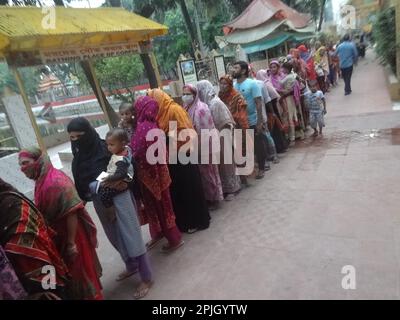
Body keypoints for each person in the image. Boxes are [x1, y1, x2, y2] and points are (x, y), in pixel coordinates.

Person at [67, 118, 153, 299]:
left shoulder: (105, 148)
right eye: (72, 137)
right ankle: (131, 266)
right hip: (100, 201)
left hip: (120, 198)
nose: (75, 140)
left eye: (79, 136)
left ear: (88, 134)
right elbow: (81, 177)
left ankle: (146, 277)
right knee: (114, 236)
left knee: (131, 235)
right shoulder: (79, 153)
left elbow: (128, 170)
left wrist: (127, 189)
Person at [18, 147, 103, 300]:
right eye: (20, 165)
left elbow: (71, 211)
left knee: (81, 273)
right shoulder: (42, 179)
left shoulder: (55, 182)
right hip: (61, 235)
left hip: (73, 234)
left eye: (26, 163)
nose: (22, 168)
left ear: (37, 161)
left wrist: (71, 244)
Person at [147, 89, 210, 234]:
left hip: (184, 153)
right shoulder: (159, 113)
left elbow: (186, 131)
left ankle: (197, 220)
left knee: (190, 189)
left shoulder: (174, 110)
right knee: (180, 190)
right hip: (172, 156)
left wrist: (166, 138)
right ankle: (186, 221)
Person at [131, 96, 184, 253]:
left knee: (160, 208)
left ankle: (174, 239)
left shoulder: (143, 128)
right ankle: (165, 234)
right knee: (164, 207)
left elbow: (138, 151)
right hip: (160, 174)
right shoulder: (153, 125)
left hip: (150, 177)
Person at [0, 178, 69, 298]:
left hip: (40, 279)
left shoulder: (12, 209)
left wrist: (46, 289)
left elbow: (32, 255)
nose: (23, 168)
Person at [196, 80, 241, 200]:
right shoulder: (208, 103)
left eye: (199, 91)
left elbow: (226, 121)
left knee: (227, 163)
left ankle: (233, 188)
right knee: (221, 164)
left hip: (222, 135)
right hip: (216, 136)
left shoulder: (215, 103)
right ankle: (226, 188)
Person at [181, 84, 224, 208]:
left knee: (210, 172)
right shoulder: (186, 107)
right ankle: (208, 198)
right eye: (184, 94)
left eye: (188, 94)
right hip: (194, 145)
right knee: (202, 174)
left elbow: (206, 129)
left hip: (205, 145)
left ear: (195, 95)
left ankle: (215, 198)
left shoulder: (201, 108)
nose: (185, 96)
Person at [232, 61, 266, 179]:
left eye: (236, 68)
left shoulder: (252, 84)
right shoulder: (233, 86)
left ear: (243, 71)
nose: (233, 70)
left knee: (257, 145)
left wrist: (260, 122)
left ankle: (261, 168)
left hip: (252, 120)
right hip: (239, 123)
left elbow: (258, 103)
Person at [218, 75, 252, 187]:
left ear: (230, 85)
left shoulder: (237, 97)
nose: (222, 86)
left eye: (225, 84)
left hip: (238, 127)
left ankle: (245, 177)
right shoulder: (220, 96)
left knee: (240, 152)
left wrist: (244, 129)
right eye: (221, 83)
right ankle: (237, 178)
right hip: (226, 129)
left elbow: (242, 115)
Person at [95, 128, 134, 210]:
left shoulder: (121, 159)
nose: (109, 147)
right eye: (107, 144)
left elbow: (121, 174)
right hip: (117, 176)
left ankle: (111, 209)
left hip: (123, 180)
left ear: (122, 144)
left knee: (104, 193)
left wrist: (109, 178)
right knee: (98, 185)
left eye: (112, 145)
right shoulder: (123, 150)